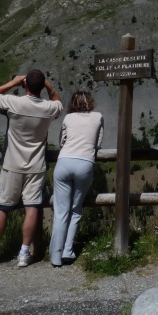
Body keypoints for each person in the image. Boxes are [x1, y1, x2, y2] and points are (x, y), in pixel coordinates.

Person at [0, 69, 62, 268]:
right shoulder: (49, 108)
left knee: (3, 208)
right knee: (32, 207)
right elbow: (58, 103)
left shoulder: (14, 103)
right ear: (41, 86)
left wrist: (12, 83)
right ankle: (24, 253)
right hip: (36, 165)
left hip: (12, 165)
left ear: (24, 85)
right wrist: (48, 86)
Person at [49, 90, 103, 267]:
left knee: (61, 211)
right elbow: (98, 144)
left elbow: (62, 142)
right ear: (91, 102)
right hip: (85, 163)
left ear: (72, 103)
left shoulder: (68, 118)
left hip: (64, 162)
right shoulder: (98, 117)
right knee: (75, 209)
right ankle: (68, 250)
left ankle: (55, 257)